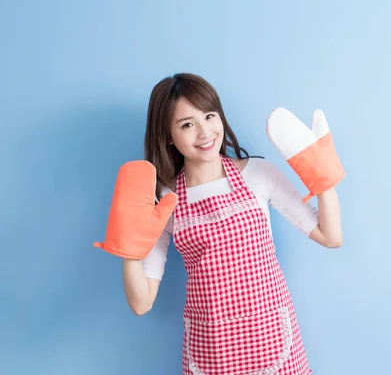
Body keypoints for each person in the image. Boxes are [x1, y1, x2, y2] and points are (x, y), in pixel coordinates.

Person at [96, 73, 344, 375]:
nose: (204, 132)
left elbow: (330, 236)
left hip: (271, 337)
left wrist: (323, 177)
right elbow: (141, 302)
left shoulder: (259, 175)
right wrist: (129, 249)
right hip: (211, 350)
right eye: (187, 124)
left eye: (209, 116)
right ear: (168, 135)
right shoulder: (166, 200)